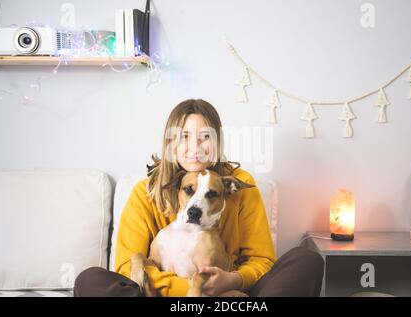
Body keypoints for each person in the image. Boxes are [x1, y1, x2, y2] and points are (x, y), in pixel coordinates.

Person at [74, 99, 324, 297]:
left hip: (231, 292)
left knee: (306, 261)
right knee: (91, 280)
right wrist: (195, 292)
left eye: (205, 137)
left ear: (217, 142)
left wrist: (232, 280)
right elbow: (126, 269)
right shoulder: (145, 192)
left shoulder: (239, 185)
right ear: (170, 142)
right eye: (184, 136)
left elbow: (261, 260)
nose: (195, 147)